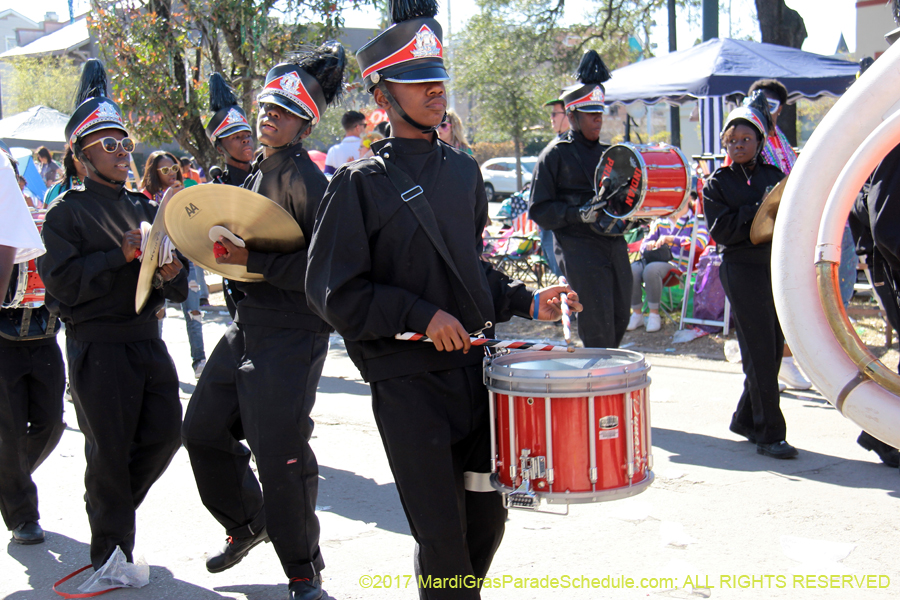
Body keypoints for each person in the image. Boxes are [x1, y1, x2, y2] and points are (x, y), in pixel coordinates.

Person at [306, 3, 581, 597]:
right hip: (408, 384)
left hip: (476, 376)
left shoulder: (462, 172)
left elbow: (466, 269)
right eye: (417, 81)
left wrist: (527, 300)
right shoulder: (357, 184)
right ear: (383, 96)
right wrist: (420, 316)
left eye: (438, 78)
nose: (436, 90)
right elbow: (335, 294)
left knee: (486, 524)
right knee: (442, 537)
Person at [181, 41, 345, 600]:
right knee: (202, 430)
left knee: (281, 454)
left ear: (305, 125)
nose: (270, 117)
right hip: (247, 325)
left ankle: (304, 571)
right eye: (268, 108)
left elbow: (324, 269)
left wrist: (253, 260)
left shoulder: (308, 179)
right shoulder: (257, 171)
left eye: (284, 112)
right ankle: (249, 521)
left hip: (293, 332)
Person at [37, 59, 188, 570]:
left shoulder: (146, 207)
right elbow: (61, 286)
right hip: (97, 344)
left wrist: (171, 270)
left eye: (126, 143)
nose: (123, 153)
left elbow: (179, 284)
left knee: (166, 434)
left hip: (147, 337)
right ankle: (111, 552)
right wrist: (116, 256)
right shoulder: (64, 212)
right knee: (109, 450)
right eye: (109, 144)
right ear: (81, 157)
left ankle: (111, 507)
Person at [703, 94, 797, 459]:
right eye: (732, 140)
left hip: (773, 267)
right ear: (725, 144)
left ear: (759, 141)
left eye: (746, 139)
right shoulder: (716, 184)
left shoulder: (775, 177)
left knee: (771, 350)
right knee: (758, 350)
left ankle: (745, 419)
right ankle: (770, 434)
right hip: (740, 269)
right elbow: (722, 231)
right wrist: (756, 212)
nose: (739, 145)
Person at [530, 50, 631, 348]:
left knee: (620, 315)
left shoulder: (610, 153)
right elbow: (539, 209)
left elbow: (622, 198)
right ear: (572, 115)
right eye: (590, 113)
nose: (597, 119)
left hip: (613, 243)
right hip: (578, 246)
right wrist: (577, 213)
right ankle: (600, 373)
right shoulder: (554, 155)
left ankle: (606, 367)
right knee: (597, 323)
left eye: (599, 112)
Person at [0, 142, 65, 546]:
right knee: (7, 431)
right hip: (3, 339)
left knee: (51, 423)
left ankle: (10, 478)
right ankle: (22, 513)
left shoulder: (44, 215)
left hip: (44, 335)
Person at [744, 79, 814, 391]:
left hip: (784, 231)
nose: (763, 108)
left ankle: (781, 363)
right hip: (756, 235)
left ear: (781, 109)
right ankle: (773, 367)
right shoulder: (749, 137)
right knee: (764, 308)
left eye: (770, 105)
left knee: (785, 301)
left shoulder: (781, 139)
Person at [628, 193, 709, 332]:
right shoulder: (661, 220)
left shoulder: (696, 220)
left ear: (687, 200)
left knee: (651, 270)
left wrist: (672, 239)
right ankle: (637, 314)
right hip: (654, 258)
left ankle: (654, 315)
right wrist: (649, 244)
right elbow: (645, 243)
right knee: (632, 269)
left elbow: (700, 242)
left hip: (677, 264)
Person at [206, 72, 255, 187]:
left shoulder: (267, 179)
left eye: (248, 135)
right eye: (236, 137)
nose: (246, 140)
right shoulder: (215, 189)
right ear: (220, 148)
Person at [324, 110, 365, 175]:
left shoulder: (333, 150)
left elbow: (328, 176)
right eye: (364, 125)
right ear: (358, 127)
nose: (365, 129)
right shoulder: (367, 148)